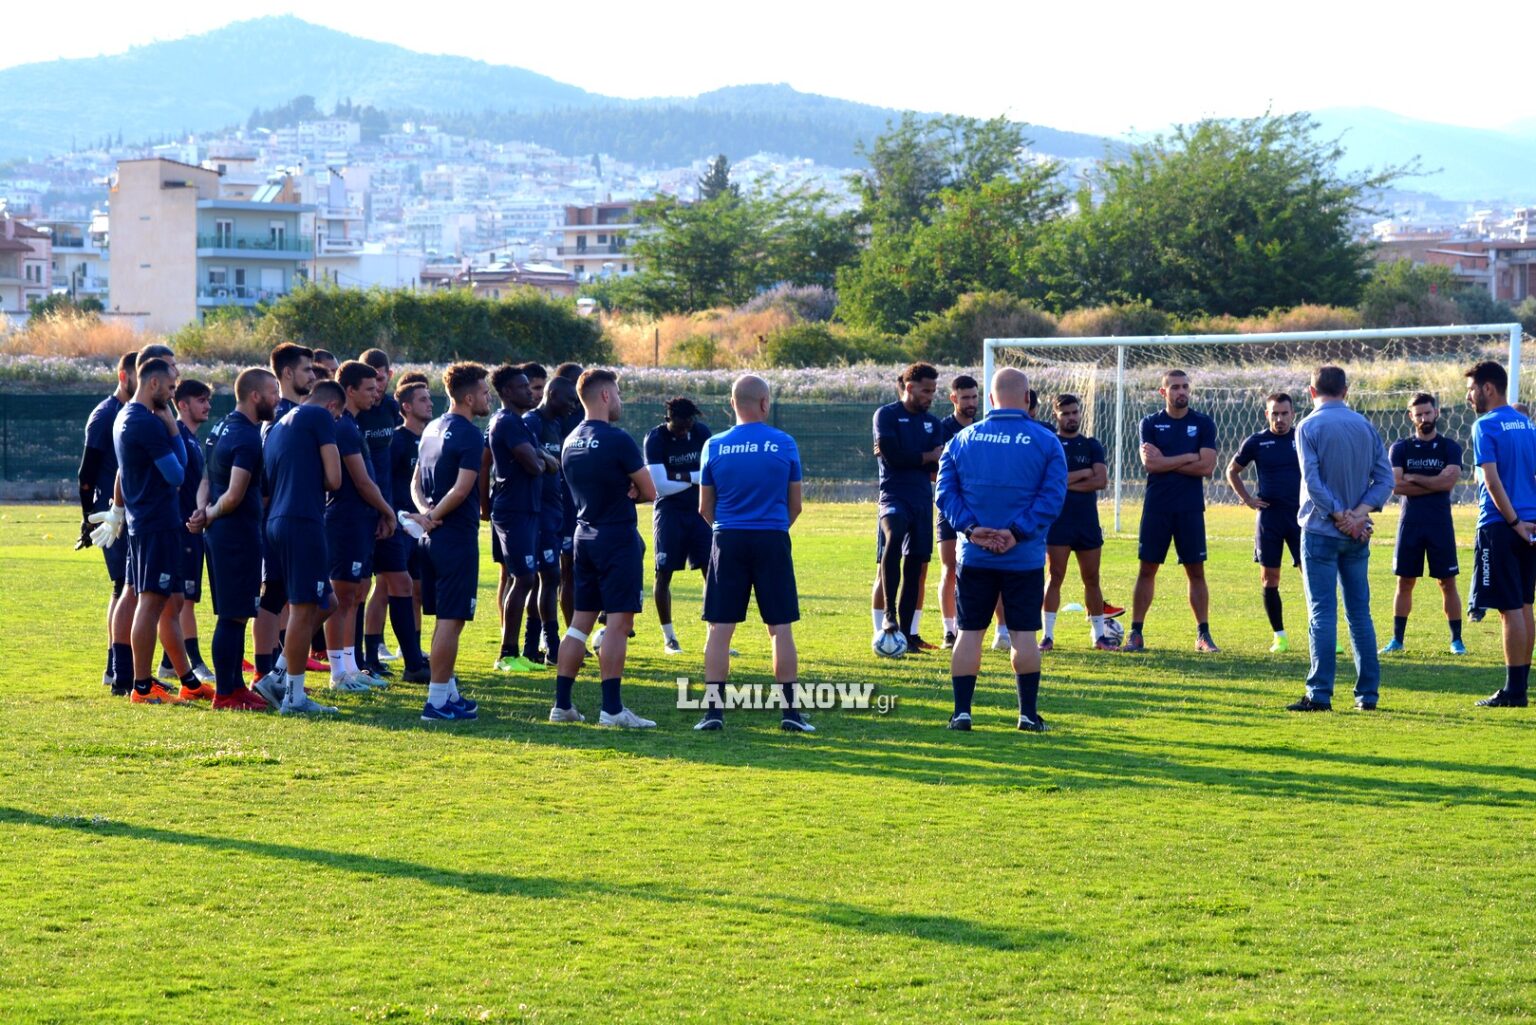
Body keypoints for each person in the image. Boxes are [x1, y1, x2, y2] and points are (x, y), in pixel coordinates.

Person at [937, 367, 1067, 732]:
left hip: (975, 556)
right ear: (1027, 399)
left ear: (991, 399)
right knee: (1024, 634)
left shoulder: (963, 439)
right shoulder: (1046, 441)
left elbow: (945, 494)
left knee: (969, 632)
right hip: (1023, 557)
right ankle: (1027, 715)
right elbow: (1053, 498)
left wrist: (973, 529)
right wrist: (1016, 532)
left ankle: (961, 713)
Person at [693, 374, 811, 731]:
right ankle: (790, 713)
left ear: (732, 404)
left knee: (720, 629)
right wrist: (772, 526)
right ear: (764, 404)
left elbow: (704, 506)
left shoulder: (713, 445)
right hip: (772, 539)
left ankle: (713, 713)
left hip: (727, 539)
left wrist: (728, 526)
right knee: (780, 628)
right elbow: (796, 505)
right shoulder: (784, 443)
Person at [551, 368, 658, 728]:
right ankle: (612, 711)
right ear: (606, 396)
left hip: (584, 536)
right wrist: (633, 490)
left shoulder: (569, 441)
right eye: (618, 392)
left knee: (580, 624)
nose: (621, 400)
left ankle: (562, 705)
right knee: (617, 623)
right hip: (617, 537)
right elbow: (650, 491)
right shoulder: (618, 439)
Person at [1288, 365, 1393, 712]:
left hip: (1321, 529)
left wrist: (1340, 516)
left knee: (1321, 613)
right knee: (1359, 614)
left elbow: (1313, 482)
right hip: (1356, 534)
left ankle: (1319, 693)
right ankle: (1368, 695)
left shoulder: (1308, 426)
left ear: (1311, 391)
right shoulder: (1364, 425)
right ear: (1346, 390)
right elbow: (1384, 480)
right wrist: (1359, 515)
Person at [193, 367, 281, 710]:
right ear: (255, 396)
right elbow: (233, 494)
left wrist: (203, 511)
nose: (276, 399)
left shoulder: (219, 427)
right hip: (236, 533)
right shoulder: (246, 437)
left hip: (219, 532)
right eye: (272, 392)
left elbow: (205, 479)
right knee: (233, 615)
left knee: (235, 614)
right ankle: (227, 692)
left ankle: (235, 686)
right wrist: (210, 513)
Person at [111, 357, 195, 704]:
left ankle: (181, 678)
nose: (174, 397)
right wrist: (174, 431)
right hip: (154, 523)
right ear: (154, 384)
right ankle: (142, 687)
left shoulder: (127, 416)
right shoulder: (144, 422)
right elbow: (178, 474)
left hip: (147, 521)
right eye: (172, 388)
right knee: (150, 603)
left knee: (166, 600)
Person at [413, 362, 492, 722]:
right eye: (485, 392)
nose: (488, 398)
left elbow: (415, 483)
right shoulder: (470, 434)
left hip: (431, 538)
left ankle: (448, 693)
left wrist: (425, 513)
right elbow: (463, 490)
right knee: (451, 619)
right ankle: (437, 702)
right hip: (454, 537)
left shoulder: (431, 427)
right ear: (469, 396)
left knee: (444, 619)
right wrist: (433, 516)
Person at [263, 379, 345, 715]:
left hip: (277, 521)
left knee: (328, 602)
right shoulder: (319, 417)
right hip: (302, 519)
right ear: (332, 407)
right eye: (338, 418)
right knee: (303, 608)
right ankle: (294, 697)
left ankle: (278, 676)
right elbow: (335, 479)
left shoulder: (278, 424)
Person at [1128, 370, 1219, 653]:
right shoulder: (1151, 423)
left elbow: (1207, 467)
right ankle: (1136, 633)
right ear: (1163, 392)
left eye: (1185, 387)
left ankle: (1203, 635)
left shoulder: (1203, 423)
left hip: (1190, 508)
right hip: (1157, 507)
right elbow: (1150, 465)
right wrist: (1189, 457)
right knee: (1147, 569)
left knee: (1196, 571)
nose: (1182, 392)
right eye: (1175, 387)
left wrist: (1167, 461)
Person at [323, 360, 399, 693]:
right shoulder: (341, 427)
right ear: (349, 390)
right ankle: (337, 672)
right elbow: (363, 481)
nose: (376, 393)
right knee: (341, 596)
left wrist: (379, 514)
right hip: (346, 520)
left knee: (355, 594)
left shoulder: (354, 425)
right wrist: (388, 511)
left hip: (363, 519)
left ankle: (352, 667)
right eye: (368, 388)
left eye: (377, 386)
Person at [1465, 361, 1536, 708]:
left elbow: (1491, 482)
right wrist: (1528, 521)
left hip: (1501, 526)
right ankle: (1520, 688)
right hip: (1529, 526)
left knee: (1509, 609)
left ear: (1488, 388)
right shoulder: (1526, 424)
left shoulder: (1485, 425)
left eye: (1472, 389)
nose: (1469, 396)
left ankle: (1513, 691)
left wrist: (1512, 523)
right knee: (1524, 605)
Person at [1382, 393, 1465, 655]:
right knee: (1405, 582)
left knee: (1447, 582)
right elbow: (1395, 485)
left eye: (1428, 413)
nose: (1424, 418)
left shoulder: (1450, 447)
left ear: (1436, 413)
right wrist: (1434, 482)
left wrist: (1414, 477)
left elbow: (1448, 483)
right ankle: (1397, 640)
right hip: (1411, 524)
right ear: (1411, 417)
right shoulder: (1400, 448)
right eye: (1418, 414)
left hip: (1440, 524)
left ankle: (1456, 640)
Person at [482, 364, 549, 674]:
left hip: (528, 508)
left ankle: (516, 651)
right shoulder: (505, 423)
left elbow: (547, 461)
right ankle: (507, 653)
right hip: (514, 510)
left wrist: (541, 458)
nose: (530, 392)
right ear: (507, 392)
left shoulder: (522, 424)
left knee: (527, 577)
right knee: (521, 578)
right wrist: (541, 459)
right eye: (523, 387)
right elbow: (537, 465)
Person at [873, 362, 943, 652]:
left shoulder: (934, 423)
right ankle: (888, 617)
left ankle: (907, 634)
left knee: (916, 563)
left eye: (933, 391)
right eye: (926, 391)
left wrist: (923, 458)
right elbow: (893, 458)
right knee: (894, 537)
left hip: (921, 499)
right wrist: (926, 455)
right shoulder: (886, 415)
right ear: (910, 388)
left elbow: (938, 463)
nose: (930, 397)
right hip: (893, 495)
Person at [1226, 392, 1304, 654]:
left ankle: (1325, 636)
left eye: (1284, 413)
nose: (1279, 419)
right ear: (1266, 414)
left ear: (1293, 414)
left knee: (1313, 578)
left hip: (1300, 518)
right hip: (1269, 518)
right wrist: (1248, 499)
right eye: (1275, 413)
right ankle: (1279, 636)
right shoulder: (1257, 441)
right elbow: (1232, 470)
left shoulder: (1302, 438)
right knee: (1270, 578)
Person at [79, 350, 136, 690]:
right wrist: (88, 521)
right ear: (123, 376)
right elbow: (86, 473)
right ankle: (116, 668)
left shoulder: (134, 413)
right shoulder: (106, 415)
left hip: (133, 514)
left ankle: (123, 666)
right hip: (112, 516)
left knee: (133, 589)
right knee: (123, 587)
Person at [1042, 393, 1117, 651]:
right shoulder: (1051, 444)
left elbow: (1101, 481)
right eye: (1066, 414)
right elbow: (1052, 482)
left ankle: (1099, 637)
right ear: (1056, 416)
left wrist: (1069, 480)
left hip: (1086, 523)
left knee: (1092, 578)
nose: (1072, 417)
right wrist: (1084, 473)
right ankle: (1047, 636)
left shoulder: (1091, 445)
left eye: (1075, 412)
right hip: (1058, 523)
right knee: (1055, 576)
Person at [154, 377, 214, 688]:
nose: (207, 406)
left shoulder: (192, 440)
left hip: (192, 528)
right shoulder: (173, 435)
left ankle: (167, 662)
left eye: (208, 400)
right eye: (201, 400)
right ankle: (194, 660)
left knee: (183, 599)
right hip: (178, 528)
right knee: (183, 599)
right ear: (182, 404)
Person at [645, 397, 712, 654]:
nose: (685, 431)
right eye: (680, 426)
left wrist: (681, 476)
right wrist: (694, 478)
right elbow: (660, 487)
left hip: (700, 511)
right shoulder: (655, 439)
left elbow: (709, 474)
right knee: (663, 574)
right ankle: (670, 638)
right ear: (668, 419)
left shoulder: (701, 433)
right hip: (669, 513)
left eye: (689, 425)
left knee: (711, 572)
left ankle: (713, 637)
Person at [522, 375, 579, 664]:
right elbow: (527, 455)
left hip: (555, 510)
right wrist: (544, 457)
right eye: (568, 400)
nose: (572, 406)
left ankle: (533, 648)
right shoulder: (532, 422)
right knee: (547, 577)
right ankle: (551, 647)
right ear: (552, 394)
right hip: (537, 511)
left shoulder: (556, 425)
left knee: (547, 578)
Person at [385, 378, 433, 684]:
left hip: (424, 527)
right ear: (406, 407)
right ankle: (384, 651)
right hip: (400, 526)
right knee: (391, 589)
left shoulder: (431, 437)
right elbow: (386, 483)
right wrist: (401, 516)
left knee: (417, 591)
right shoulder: (397, 440)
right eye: (423, 400)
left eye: (430, 398)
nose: (430, 404)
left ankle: (413, 651)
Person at [357, 348, 401, 675]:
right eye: (371, 380)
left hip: (387, 507)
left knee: (393, 582)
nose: (377, 386)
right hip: (360, 510)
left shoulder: (390, 408)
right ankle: (353, 659)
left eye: (381, 377)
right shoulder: (353, 416)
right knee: (355, 589)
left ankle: (376, 653)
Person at [935, 375, 979, 648]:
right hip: (950, 509)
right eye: (965, 397)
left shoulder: (984, 429)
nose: (971, 402)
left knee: (983, 569)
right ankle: (950, 631)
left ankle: (1000, 630)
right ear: (954, 398)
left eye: (974, 397)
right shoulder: (942, 429)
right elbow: (936, 473)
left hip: (978, 509)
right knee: (950, 569)